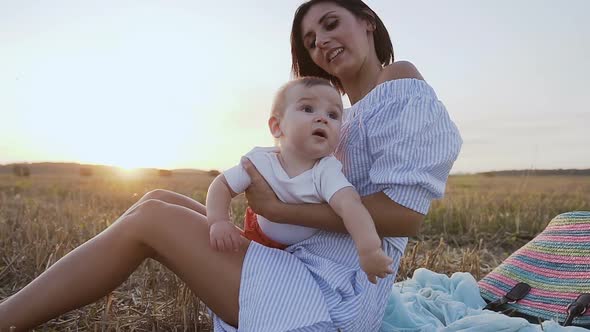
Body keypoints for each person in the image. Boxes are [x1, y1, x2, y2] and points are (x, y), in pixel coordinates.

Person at [0, 0, 462, 331]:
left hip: (333, 294)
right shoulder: (338, 116)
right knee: (157, 198)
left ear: (367, 22)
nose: (321, 40)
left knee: (151, 219)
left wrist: (280, 212)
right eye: (310, 39)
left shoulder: (398, 80)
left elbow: (405, 215)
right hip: (301, 265)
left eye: (330, 22)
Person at [206, 77, 394, 284]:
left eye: (333, 114)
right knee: (231, 257)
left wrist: (369, 249)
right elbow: (221, 185)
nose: (322, 118)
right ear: (277, 126)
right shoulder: (260, 161)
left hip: (304, 252)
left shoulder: (326, 171)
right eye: (307, 108)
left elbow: (350, 206)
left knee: (275, 282)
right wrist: (219, 221)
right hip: (258, 236)